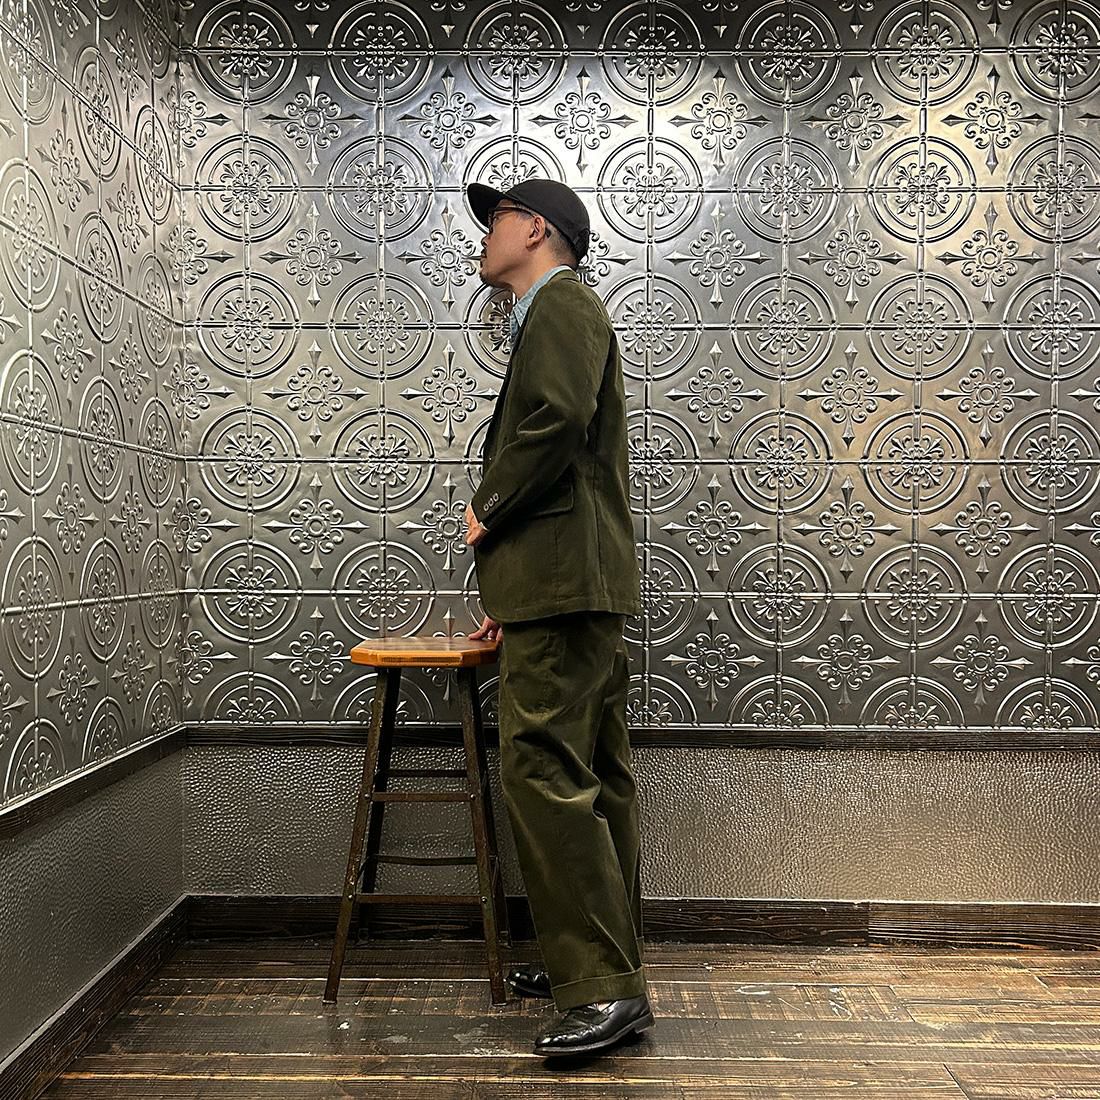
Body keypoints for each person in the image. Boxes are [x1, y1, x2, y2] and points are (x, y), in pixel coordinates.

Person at [462, 178, 651, 1059]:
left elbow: (557, 418)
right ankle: (603, 965)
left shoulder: (562, 304)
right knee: (596, 777)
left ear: (534, 229)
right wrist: (516, 595)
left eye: (495, 219)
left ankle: (603, 985)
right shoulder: (554, 310)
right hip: (572, 587)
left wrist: (488, 507)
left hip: (567, 587)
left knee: (543, 771)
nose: (484, 236)